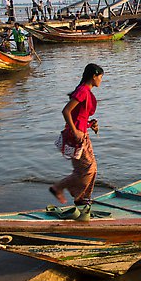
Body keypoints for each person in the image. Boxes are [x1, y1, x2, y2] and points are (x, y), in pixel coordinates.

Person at [50, 63, 104, 206]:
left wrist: (89, 124)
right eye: (100, 77)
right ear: (94, 76)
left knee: (89, 169)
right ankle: (63, 189)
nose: (101, 80)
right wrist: (75, 131)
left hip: (82, 134)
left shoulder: (85, 91)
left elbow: (78, 116)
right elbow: (66, 111)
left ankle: (82, 198)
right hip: (77, 136)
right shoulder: (83, 91)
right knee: (88, 169)